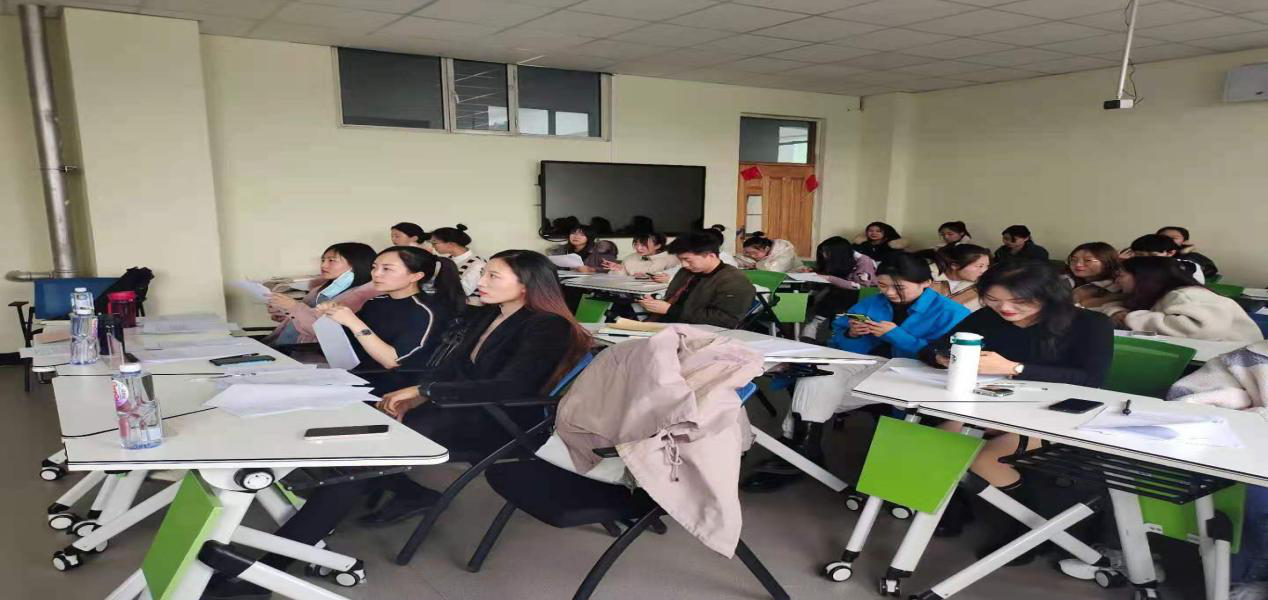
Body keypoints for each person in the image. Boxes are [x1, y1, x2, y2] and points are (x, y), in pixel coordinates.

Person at [205, 251, 593, 599]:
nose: (482, 281)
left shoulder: (547, 325)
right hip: (460, 406)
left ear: (526, 285)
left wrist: (425, 391)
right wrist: (420, 392)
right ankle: (291, 542)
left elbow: (511, 386)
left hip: (497, 422)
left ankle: (264, 572)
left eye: (494, 276)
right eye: (485, 273)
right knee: (356, 449)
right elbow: (452, 368)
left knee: (361, 459)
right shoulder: (489, 315)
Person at [923, 262, 1114, 560]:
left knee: (986, 458)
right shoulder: (987, 317)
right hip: (995, 407)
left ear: (1048, 295)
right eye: (994, 299)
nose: (1005, 308)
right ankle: (955, 507)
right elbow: (933, 348)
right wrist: (944, 357)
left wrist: (1015, 368)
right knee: (938, 444)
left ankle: (1029, 528)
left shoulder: (1089, 323)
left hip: (1058, 414)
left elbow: (1091, 379)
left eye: (1019, 301)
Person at [742, 254, 968, 492]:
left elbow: (945, 359)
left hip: (915, 374)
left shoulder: (951, 313)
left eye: (899, 288)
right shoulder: (873, 303)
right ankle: (802, 447)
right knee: (819, 373)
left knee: (817, 395)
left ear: (926, 283)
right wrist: (852, 334)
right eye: (883, 285)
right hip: (869, 364)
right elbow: (841, 343)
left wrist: (896, 335)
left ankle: (798, 449)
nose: (890, 293)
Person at [1167, 341, 1268, 600]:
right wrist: (1241, 407)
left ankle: (1248, 576)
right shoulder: (1248, 358)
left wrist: (1253, 412)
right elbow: (1181, 400)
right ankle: (1247, 576)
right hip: (1239, 454)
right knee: (1253, 494)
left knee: (1256, 495)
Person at [318, 246, 466, 393]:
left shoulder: (425, 312)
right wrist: (334, 314)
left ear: (415, 276)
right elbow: (350, 341)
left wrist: (353, 321)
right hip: (357, 375)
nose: (376, 274)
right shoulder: (376, 302)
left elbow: (393, 362)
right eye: (374, 267)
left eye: (387, 269)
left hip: (395, 387)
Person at [1097, 256, 1262, 342]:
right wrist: (1117, 312)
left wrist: (1130, 318)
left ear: (1143, 277)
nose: (1116, 281)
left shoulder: (1187, 295)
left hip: (1234, 359)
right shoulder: (1156, 295)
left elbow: (1199, 329)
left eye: (1120, 276)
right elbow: (1117, 306)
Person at [263, 242, 378, 346]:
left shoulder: (362, 295)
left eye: (331, 260)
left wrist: (293, 307)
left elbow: (322, 328)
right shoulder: (322, 288)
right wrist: (285, 312)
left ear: (356, 264)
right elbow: (305, 315)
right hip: (285, 343)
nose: (323, 265)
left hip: (308, 351)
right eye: (323, 260)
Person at [638, 231, 755, 328]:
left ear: (711, 256)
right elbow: (674, 300)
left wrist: (670, 310)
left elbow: (727, 320)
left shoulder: (734, 281)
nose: (684, 265)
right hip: (664, 325)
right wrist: (654, 303)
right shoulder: (687, 271)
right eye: (681, 260)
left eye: (688, 260)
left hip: (695, 332)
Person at [799, 236, 877, 342]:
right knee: (832, 292)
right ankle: (825, 327)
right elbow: (835, 274)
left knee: (840, 292)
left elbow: (860, 286)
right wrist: (812, 271)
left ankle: (815, 323)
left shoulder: (864, 261)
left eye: (827, 253)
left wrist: (829, 278)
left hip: (863, 294)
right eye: (822, 252)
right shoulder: (837, 260)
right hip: (836, 293)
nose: (824, 255)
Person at [430, 224, 486, 304]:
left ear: (451, 244)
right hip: (447, 303)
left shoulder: (477, 264)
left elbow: (462, 291)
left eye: (434, 243)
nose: (432, 247)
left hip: (468, 307)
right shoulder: (447, 260)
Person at [931, 244, 991, 311]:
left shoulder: (979, 289)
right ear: (955, 266)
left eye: (987, 266)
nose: (984, 270)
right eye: (979, 266)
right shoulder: (928, 277)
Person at [1061, 242, 1123, 308]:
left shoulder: (1116, 286)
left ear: (1107, 262)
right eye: (1074, 259)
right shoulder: (1064, 279)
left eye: (1087, 260)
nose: (1078, 264)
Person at [1125, 234, 1206, 283]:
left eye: (1153, 255)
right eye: (1140, 255)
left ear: (1170, 253)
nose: (1146, 259)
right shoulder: (1133, 266)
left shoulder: (1187, 266)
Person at [601, 231, 678, 276]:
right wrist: (619, 270)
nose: (638, 248)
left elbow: (673, 281)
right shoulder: (630, 258)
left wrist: (647, 278)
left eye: (643, 245)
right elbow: (616, 280)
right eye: (636, 244)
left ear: (657, 246)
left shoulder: (671, 259)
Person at [547, 224, 617, 273]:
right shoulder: (562, 249)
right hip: (565, 282)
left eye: (582, 234)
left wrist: (591, 269)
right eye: (573, 233)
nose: (576, 236)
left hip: (589, 285)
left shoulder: (601, 250)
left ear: (589, 237)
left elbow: (610, 267)